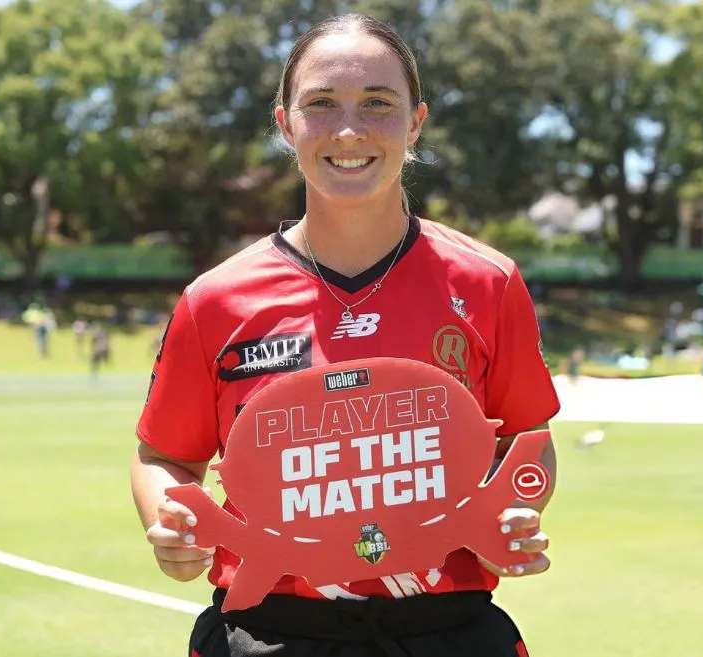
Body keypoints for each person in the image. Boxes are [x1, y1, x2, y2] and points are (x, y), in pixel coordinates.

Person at [131, 13, 559, 657]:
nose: (349, 130)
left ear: (415, 122)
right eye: (322, 103)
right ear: (286, 124)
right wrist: (174, 523)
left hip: (448, 635)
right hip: (270, 633)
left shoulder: (487, 282)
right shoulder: (215, 301)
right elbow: (163, 457)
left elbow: (526, 442)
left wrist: (513, 512)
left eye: (378, 103)